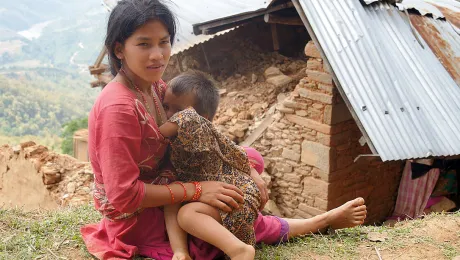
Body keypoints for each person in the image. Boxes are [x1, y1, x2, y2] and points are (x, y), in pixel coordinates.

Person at [80, 1, 367, 259]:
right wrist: (195, 190)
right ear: (119, 48)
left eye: (163, 42)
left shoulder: (153, 87)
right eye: (144, 44)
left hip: (170, 175)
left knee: (248, 156)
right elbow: (123, 196)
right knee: (216, 212)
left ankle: (257, 204)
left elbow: (199, 132)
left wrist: (246, 169)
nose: (158, 55)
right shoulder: (118, 109)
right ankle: (318, 222)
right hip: (142, 214)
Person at [159, 71, 262, 260]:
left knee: (187, 214)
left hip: (236, 194)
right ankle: (180, 253)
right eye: (165, 107)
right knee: (171, 198)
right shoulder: (183, 137)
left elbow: (155, 135)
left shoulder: (191, 121)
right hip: (212, 195)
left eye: (177, 110)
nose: (169, 115)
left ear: (202, 117)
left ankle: (239, 250)